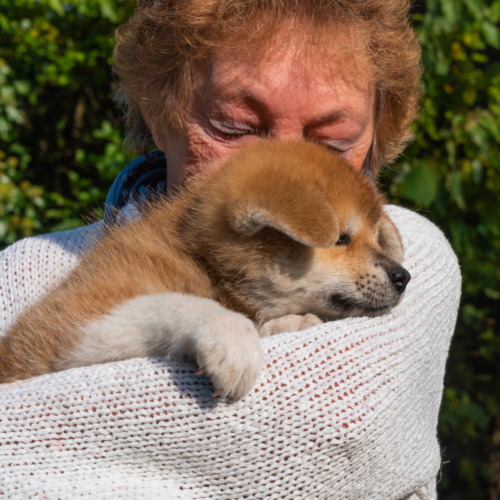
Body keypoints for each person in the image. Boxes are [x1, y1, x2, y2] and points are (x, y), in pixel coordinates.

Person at [0, 1, 460, 499]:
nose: (282, 163)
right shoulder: (24, 274)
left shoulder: (416, 252)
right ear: (160, 113)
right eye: (238, 126)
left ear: (373, 135)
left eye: (331, 141)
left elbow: (325, 437)